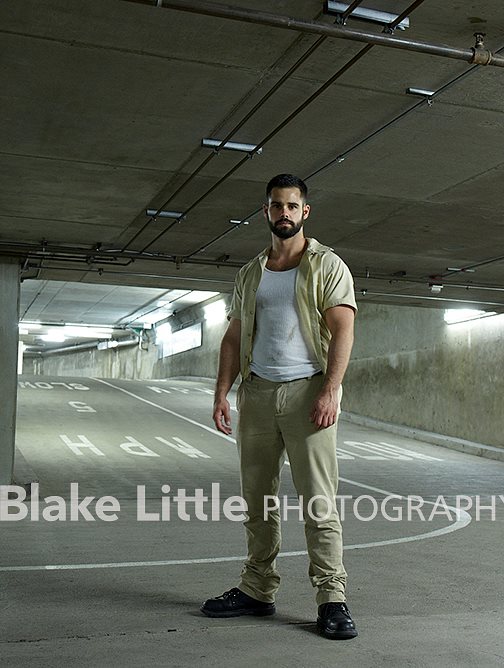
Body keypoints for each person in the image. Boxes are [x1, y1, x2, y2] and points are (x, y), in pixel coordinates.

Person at [201, 174, 358, 640]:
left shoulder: (327, 265)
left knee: (318, 502)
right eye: (276, 206)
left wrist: (330, 390)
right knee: (258, 501)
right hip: (259, 393)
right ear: (265, 212)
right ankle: (257, 589)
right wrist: (221, 393)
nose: (284, 213)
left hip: (309, 393)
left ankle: (332, 598)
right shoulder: (251, 273)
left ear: (304, 212)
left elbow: (343, 328)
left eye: (292, 206)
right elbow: (233, 337)